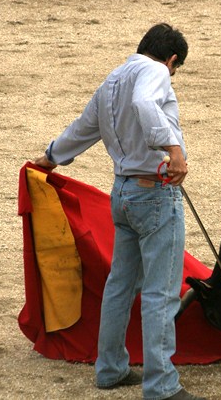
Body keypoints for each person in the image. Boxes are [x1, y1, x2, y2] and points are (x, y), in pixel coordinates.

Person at [33, 23, 205, 400]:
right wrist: (173, 149)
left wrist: (51, 157)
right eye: (175, 70)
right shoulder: (155, 71)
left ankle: (110, 368)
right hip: (155, 194)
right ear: (172, 59)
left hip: (123, 193)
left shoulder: (112, 80)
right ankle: (161, 386)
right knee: (161, 293)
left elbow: (84, 128)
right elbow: (145, 104)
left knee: (120, 286)